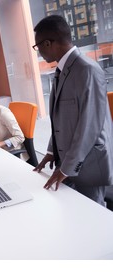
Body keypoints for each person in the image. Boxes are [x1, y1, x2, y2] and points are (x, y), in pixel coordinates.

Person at [32, 15, 113, 205]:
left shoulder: (87, 70)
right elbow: (61, 119)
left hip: (89, 163)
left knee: (93, 217)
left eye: (37, 47)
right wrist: (52, 151)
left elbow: (89, 127)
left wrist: (66, 168)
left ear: (48, 43)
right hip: (70, 160)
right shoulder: (63, 71)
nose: (38, 52)